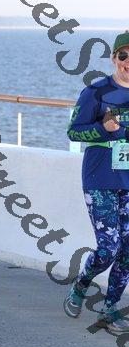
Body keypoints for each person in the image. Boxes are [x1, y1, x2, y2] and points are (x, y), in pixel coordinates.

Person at [64, 31, 129, 331]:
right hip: (100, 178)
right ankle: (82, 284)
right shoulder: (96, 92)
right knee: (108, 249)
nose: (128, 62)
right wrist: (104, 129)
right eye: (124, 55)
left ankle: (110, 308)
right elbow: (74, 131)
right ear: (114, 58)